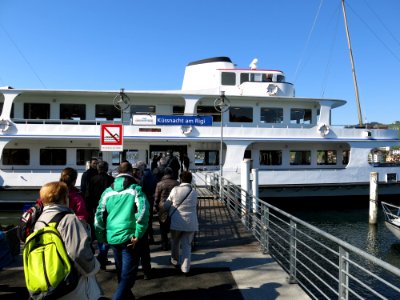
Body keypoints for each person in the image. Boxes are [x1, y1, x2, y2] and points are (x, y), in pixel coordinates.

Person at [34, 181, 103, 299]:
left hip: (51, 278)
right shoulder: (69, 219)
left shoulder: (39, 221)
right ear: (64, 199)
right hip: (73, 284)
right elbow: (78, 252)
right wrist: (95, 266)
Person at [94, 161, 149, 300]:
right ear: (131, 172)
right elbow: (143, 213)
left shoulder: (107, 192)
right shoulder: (135, 189)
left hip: (112, 236)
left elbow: (98, 216)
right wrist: (138, 234)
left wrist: (101, 237)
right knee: (128, 276)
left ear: (118, 172)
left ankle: (127, 297)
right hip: (129, 236)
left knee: (121, 271)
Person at [164, 171, 198, 276]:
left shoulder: (175, 190)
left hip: (177, 221)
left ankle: (175, 261)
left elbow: (167, 205)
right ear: (190, 180)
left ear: (180, 179)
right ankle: (186, 269)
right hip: (191, 222)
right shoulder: (194, 192)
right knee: (187, 245)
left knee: (175, 242)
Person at [86, 160, 114, 269]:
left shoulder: (92, 180)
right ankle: (103, 255)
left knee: (99, 233)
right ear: (106, 169)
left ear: (98, 169)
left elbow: (88, 196)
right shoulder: (111, 180)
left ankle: (102, 255)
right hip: (109, 210)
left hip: (95, 209)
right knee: (107, 233)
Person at [154, 167, 179, 250]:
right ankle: (174, 244)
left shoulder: (159, 184)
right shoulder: (177, 183)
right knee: (174, 226)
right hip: (174, 206)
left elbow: (157, 197)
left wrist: (155, 206)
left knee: (163, 227)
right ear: (171, 174)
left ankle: (164, 244)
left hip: (162, 207)